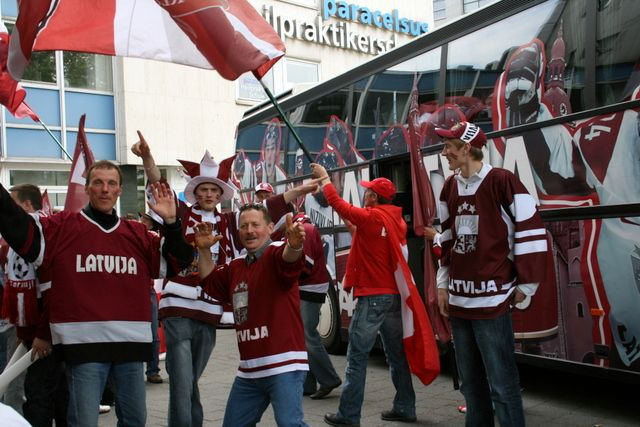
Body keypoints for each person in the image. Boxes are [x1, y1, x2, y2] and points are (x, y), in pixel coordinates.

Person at [131, 132, 317, 427]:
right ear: (195, 192)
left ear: (220, 195)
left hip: (210, 310)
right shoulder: (180, 212)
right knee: (181, 381)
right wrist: (147, 158)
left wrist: (301, 190)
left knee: (190, 379)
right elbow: (160, 188)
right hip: (179, 307)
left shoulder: (231, 222)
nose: (207, 194)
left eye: (213, 191)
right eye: (203, 189)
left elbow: (266, 213)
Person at [0, 160, 193, 427]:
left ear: (119, 191)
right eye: (98, 183)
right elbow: (16, 226)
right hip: (84, 351)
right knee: (83, 422)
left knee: (136, 420)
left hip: (130, 350)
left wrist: (172, 224)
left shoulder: (137, 233)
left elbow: (179, 262)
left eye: (111, 183)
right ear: (87, 188)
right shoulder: (62, 227)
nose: (105, 189)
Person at [434, 121, 548, 426]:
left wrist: (527, 285)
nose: (444, 152)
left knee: (502, 384)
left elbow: (531, 230)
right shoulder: (449, 188)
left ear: (467, 148)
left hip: (492, 303)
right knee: (471, 386)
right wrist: (442, 285)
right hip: (459, 303)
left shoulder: (502, 181)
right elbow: (447, 240)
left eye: (449, 146)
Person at [309, 164, 416, 427]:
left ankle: (348, 414)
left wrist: (324, 178)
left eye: (368, 192)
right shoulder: (393, 219)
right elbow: (366, 233)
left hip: (373, 297)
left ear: (374, 198)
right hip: (391, 297)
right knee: (396, 355)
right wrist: (353, 222)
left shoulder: (373, 217)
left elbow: (337, 203)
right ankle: (405, 406)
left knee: (356, 357)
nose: (364, 193)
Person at [195, 205, 310, 427]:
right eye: (244, 226)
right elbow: (209, 281)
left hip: (284, 366)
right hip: (249, 371)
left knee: (290, 424)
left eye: (256, 225)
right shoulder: (235, 266)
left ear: (269, 227)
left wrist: (295, 246)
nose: (249, 230)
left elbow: (289, 259)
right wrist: (203, 251)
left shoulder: (275, 251)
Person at [1, 184, 68, 426]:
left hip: (49, 334)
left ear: (27, 206)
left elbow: (55, 288)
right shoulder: (21, 241)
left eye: (13, 205)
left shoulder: (45, 235)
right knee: (51, 392)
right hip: (37, 332)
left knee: (41, 395)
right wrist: (25, 332)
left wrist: (41, 334)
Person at [288, 214, 341, 399]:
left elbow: (306, 264)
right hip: (310, 288)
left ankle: (329, 379)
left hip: (309, 289)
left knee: (307, 336)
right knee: (302, 338)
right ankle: (307, 385)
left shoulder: (306, 230)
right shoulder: (308, 229)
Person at [139, 212, 163, 384]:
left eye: (146, 220)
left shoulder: (153, 237)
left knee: (153, 333)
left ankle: (152, 370)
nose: (142, 221)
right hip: (132, 290)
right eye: (142, 219)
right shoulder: (133, 235)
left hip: (148, 290)